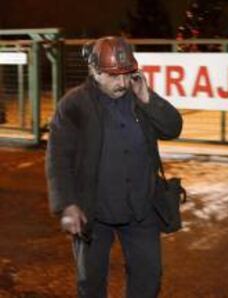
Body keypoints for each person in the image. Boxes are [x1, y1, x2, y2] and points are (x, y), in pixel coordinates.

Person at [46, 36, 182, 297]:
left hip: (141, 209)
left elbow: (173, 128)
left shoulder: (138, 97)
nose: (122, 83)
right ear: (95, 71)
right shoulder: (74, 104)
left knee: (148, 278)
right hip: (94, 212)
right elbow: (58, 157)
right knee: (91, 281)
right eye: (113, 76)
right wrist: (68, 204)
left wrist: (148, 98)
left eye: (126, 74)